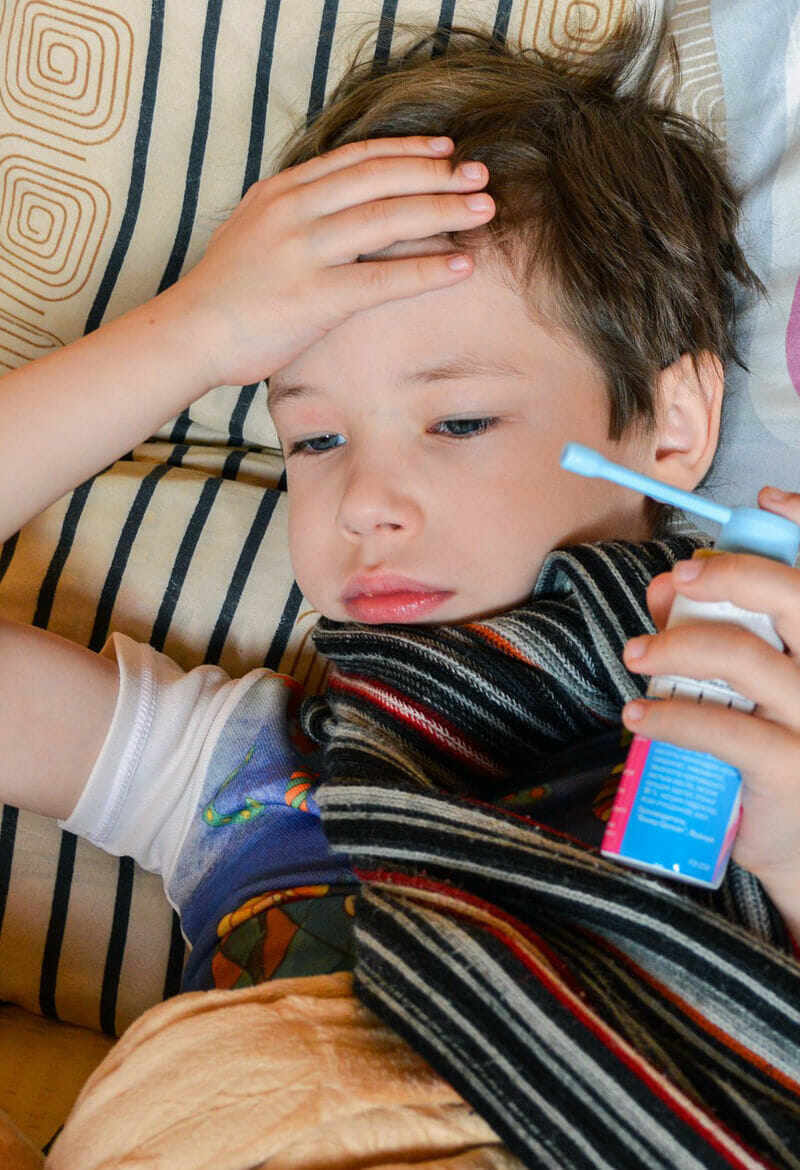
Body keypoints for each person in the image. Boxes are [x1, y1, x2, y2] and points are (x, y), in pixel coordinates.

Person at [0, 9, 799, 1044]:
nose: (362, 501)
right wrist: (196, 335)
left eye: (458, 420)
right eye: (314, 440)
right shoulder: (239, 774)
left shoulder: (749, 754)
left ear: (673, 425)